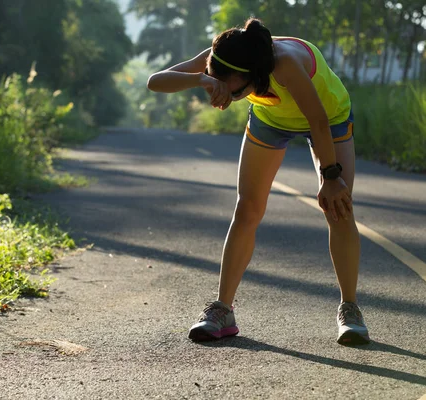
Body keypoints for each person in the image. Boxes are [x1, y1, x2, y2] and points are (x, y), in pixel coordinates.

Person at [147, 17, 370, 345]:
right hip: (270, 120)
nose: (228, 95)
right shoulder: (223, 56)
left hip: (329, 118)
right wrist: (203, 80)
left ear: (254, 75)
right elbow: (156, 81)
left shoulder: (285, 64)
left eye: (234, 90)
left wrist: (331, 177)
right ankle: (222, 309)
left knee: (339, 207)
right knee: (247, 207)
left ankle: (350, 309)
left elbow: (318, 122)